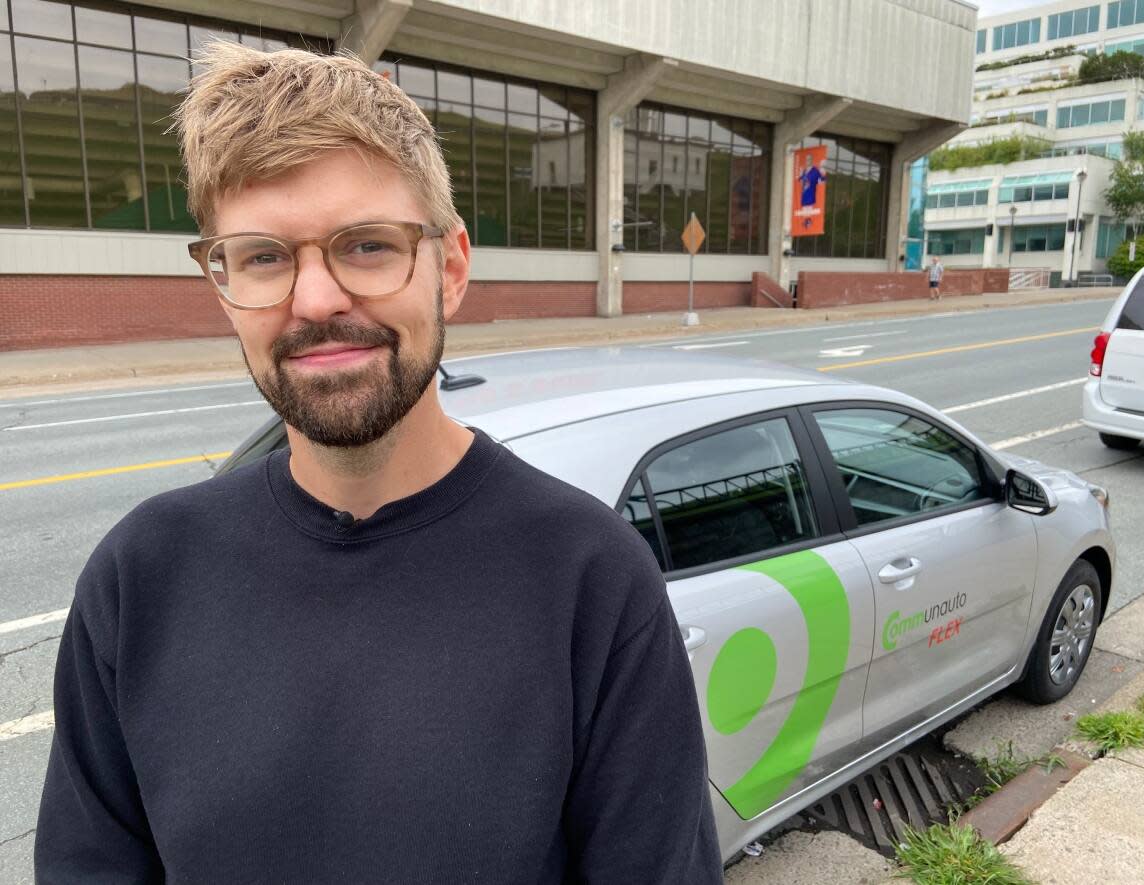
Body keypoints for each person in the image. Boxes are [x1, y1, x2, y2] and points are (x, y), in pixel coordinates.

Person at [35, 43, 722, 884]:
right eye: (263, 256)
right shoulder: (139, 579)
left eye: (365, 245)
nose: (315, 299)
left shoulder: (592, 582)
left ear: (452, 267)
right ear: (222, 285)